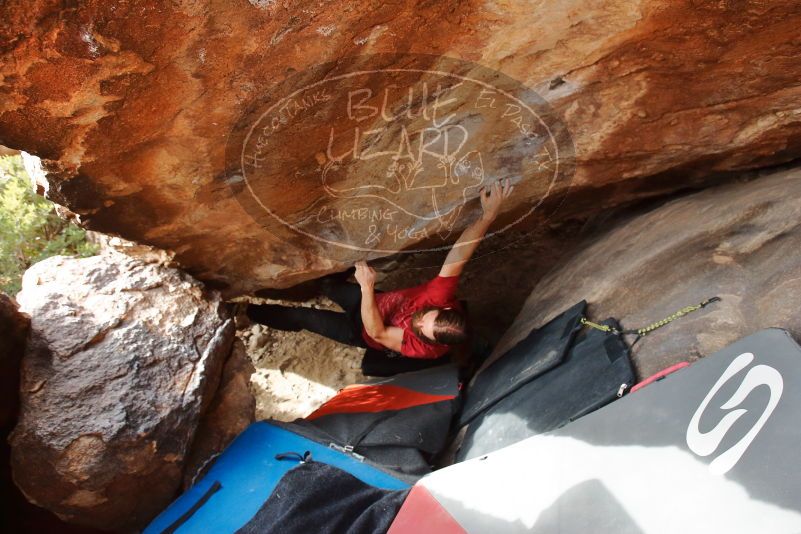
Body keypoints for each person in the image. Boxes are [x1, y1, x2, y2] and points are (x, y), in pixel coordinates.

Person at [246, 178, 513, 361]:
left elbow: (377, 332)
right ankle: (318, 288)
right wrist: (488, 216)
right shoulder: (438, 298)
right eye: (425, 316)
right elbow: (459, 254)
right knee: (328, 285)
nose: (417, 321)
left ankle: (248, 312)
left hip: (362, 330)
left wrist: (366, 287)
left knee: (302, 318)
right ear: (443, 308)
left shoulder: (423, 348)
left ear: (432, 341)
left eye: (421, 327)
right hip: (376, 299)